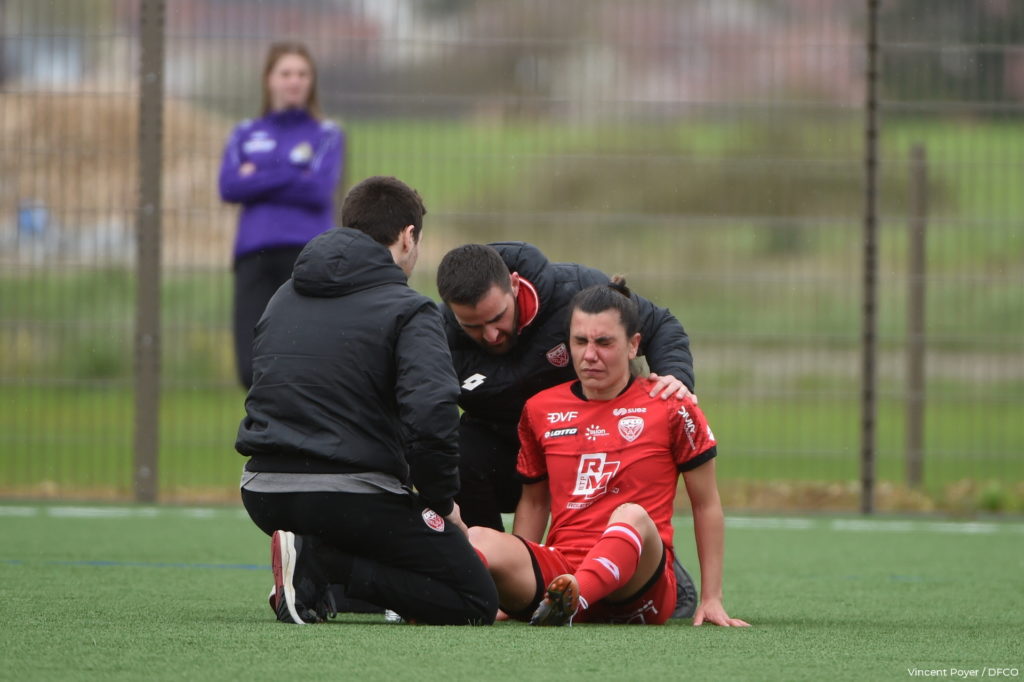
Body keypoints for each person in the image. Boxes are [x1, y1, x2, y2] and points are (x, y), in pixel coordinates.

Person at [235, 176, 497, 626]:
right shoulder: (410, 308)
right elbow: (431, 416)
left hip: (263, 491)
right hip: (348, 498)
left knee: (384, 557)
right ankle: (321, 561)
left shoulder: (283, 296)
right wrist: (441, 503)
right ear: (408, 236)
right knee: (474, 599)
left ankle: (310, 573)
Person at [469, 281, 748, 627]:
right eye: (579, 341)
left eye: (604, 343)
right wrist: (520, 572)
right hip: (561, 572)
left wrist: (711, 599)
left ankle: (575, 598)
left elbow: (705, 504)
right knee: (477, 537)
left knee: (632, 514)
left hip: (639, 587)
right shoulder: (540, 409)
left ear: (633, 345)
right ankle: (445, 600)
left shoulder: (672, 405)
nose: (589, 355)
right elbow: (536, 503)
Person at [219, 41, 344, 389]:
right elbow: (229, 186)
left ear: (312, 81)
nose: (294, 81)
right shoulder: (244, 133)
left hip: (307, 255)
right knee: (250, 367)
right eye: (286, 73)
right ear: (268, 79)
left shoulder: (327, 134)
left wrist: (257, 175)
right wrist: (292, 171)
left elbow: (318, 190)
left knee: (307, 361)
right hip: (253, 255)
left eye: (302, 74)